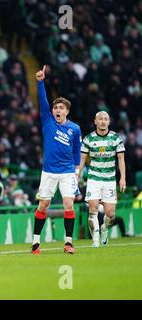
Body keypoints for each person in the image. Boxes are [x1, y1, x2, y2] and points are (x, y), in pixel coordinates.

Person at [31, 65, 82, 255]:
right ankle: (36, 243)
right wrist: (40, 82)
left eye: (61, 108)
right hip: (49, 172)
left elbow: (77, 151)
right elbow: (42, 102)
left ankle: (68, 243)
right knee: (43, 205)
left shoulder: (75, 129)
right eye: (55, 107)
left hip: (68, 172)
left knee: (69, 204)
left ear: (67, 111)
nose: (57, 110)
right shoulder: (47, 121)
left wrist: (77, 172)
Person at [79, 111, 125, 247]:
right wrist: (77, 176)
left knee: (110, 214)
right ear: (95, 121)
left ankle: (104, 228)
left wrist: (122, 178)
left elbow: (121, 159)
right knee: (92, 209)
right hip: (94, 178)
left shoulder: (116, 138)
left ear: (109, 122)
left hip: (110, 180)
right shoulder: (88, 139)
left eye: (106, 119)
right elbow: (81, 160)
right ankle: (95, 240)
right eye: (100, 119)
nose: (103, 121)